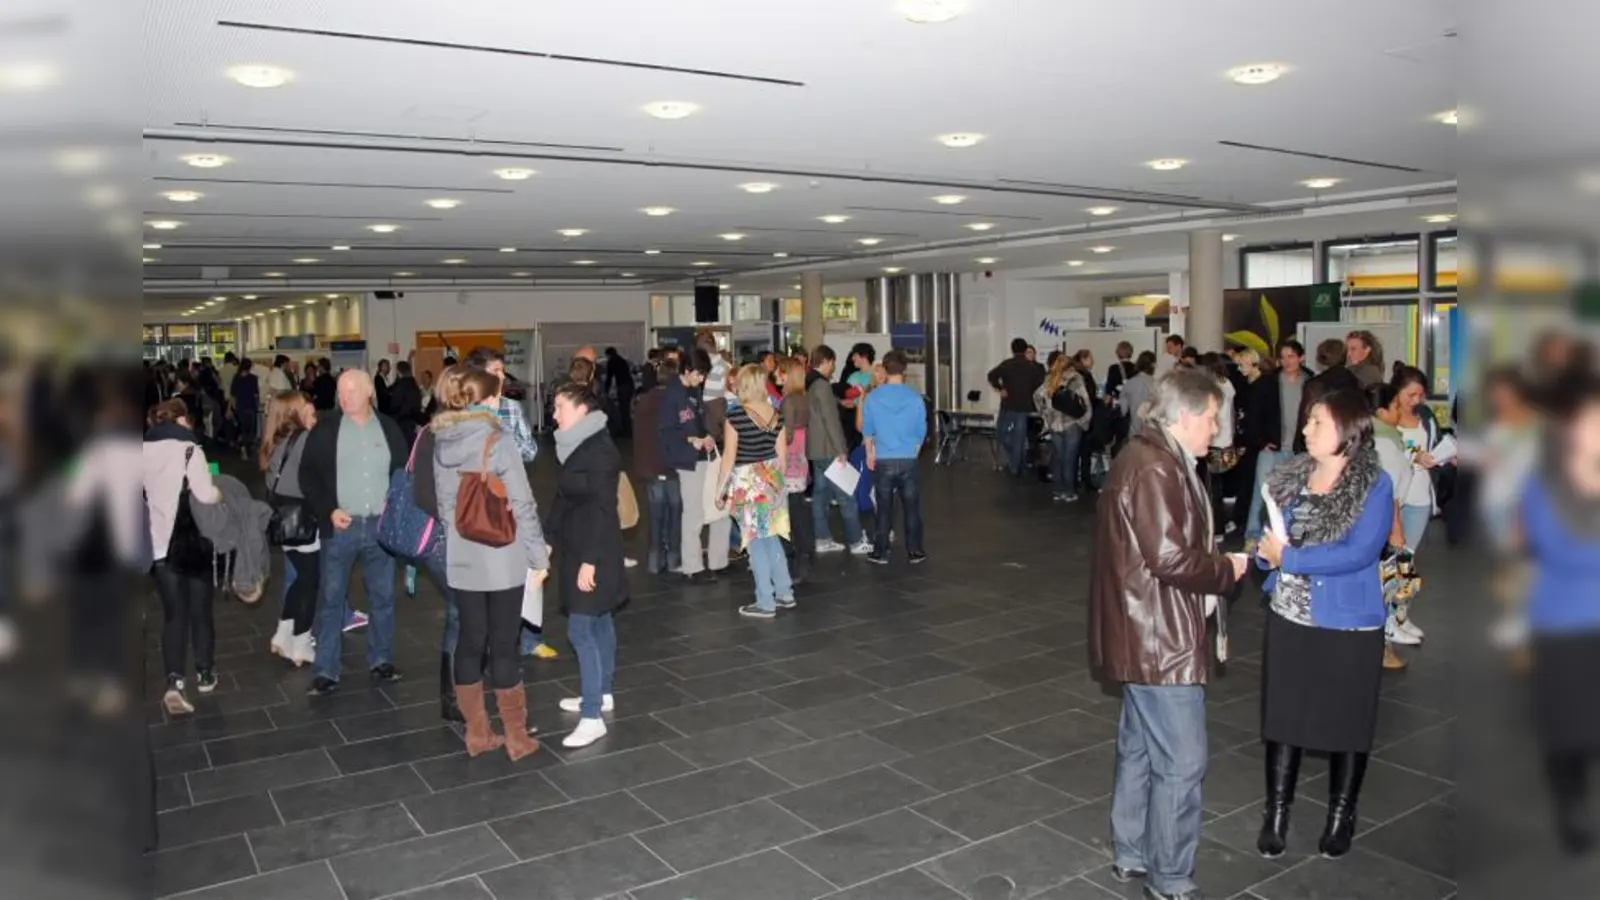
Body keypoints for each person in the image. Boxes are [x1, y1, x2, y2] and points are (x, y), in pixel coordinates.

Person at [1089, 367, 1248, 900]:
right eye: (1210, 419)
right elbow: (1171, 558)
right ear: (1184, 416)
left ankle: (1132, 851)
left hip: (1139, 630)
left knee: (1138, 749)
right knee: (1181, 763)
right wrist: (1228, 570)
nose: (1216, 431)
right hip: (1160, 640)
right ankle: (1171, 876)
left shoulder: (1144, 456)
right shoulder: (1157, 467)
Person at [1253, 389, 1395, 861]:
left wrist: (1288, 557)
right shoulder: (1289, 477)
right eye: (1308, 421)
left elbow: (1360, 552)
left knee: (1347, 723)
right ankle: (1276, 813)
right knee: (1283, 718)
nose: (1307, 429)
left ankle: (1341, 814)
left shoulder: (1374, 484)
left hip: (1347, 623)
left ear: (1348, 432)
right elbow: (1270, 539)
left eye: (1318, 422)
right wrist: (1264, 552)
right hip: (1290, 616)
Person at [428, 366, 548, 759]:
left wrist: (459, 547)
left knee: (469, 642)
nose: (501, 402)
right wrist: (538, 555)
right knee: (504, 645)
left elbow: (446, 508)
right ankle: (516, 737)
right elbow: (523, 503)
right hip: (503, 555)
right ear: (483, 400)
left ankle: (477, 735)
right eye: (496, 396)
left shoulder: (440, 440)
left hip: (462, 557)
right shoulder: (498, 440)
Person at [1520, 380, 1600, 856]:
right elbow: (1560, 551)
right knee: (1568, 728)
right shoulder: (1543, 483)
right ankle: (1570, 806)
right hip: (1564, 624)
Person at [298, 369, 409, 696]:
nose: (344, 398)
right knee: (332, 600)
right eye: (340, 392)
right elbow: (308, 476)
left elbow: (402, 475)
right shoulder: (326, 429)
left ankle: (382, 660)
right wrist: (328, 509)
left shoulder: (388, 429)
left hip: (379, 527)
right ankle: (326, 670)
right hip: (340, 528)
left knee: (384, 597)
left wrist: (395, 514)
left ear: (369, 393)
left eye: (351, 392)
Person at [547, 382, 627, 748]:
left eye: (559, 406)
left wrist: (590, 562)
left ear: (581, 409)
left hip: (595, 552)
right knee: (599, 621)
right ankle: (603, 692)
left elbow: (602, 509)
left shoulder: (599, 451)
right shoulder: (576, 446)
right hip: (578, 547)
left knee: (580, 630)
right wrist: (547, 542)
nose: (553, 414)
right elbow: (565, 498)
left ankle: (592, 716)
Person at [142, 398, 223, 715]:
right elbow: (205, 494)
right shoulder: (192, 450)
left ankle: (174, 680)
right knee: (201, 611)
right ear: (181, 421)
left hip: (160, 544)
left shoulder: (141, 451)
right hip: (193, 542)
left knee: (174, 615)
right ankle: (205, 672)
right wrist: (219, 491)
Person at [716, 365, 793, 618]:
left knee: (755, 543)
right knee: (772, 537)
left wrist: (720, 491)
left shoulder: (735, 417)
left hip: (748, 483)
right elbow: (782, 458)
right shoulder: (777, 414)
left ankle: (765, 601)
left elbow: (728, 458)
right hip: (772, 479)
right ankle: (784, 592)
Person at [261, 391, 321, 668]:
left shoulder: (275, 439)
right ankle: (301, 642)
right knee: (310, 581)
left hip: (283, 519)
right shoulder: (304, 438)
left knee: (301, 577)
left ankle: (283, 632)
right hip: (304, 517)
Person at [660, 350, 724, 583]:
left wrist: (705, 436)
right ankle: (692, 566)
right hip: (686, 459)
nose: (702, 379)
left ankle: (716, 561)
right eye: (699, 374)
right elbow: (666, 432)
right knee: (693, 514)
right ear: (687, 371)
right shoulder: (672, 395)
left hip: (700, 455)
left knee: (716, 509)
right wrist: (692, 440)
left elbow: (697, 421)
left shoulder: (693, 390)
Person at [1244, 340, 1312, 550]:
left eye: (1291, 356)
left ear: (1301, 358)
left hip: (1299, 449)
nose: (1286, 361)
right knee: (1261, 492)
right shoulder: (1268, 382)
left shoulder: (1310, 383)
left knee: (1297, 495)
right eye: (1283, 357)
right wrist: (1262, 441)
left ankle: (1290, 537)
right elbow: (1253, 414)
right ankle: (1253, 536)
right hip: (1272, 448)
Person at [862, 350, 927, 564]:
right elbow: (921, 430)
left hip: (883, 459)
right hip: (908, 458)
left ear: (885, 369)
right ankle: (915, 551)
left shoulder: (873, 397)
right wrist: (913, 452)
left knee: (883, 508)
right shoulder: (915, 397)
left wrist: (870, 454)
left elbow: (868, 430)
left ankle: (881, 551)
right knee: (911, 508)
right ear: (905, 369)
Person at [807, 345, 869, 554]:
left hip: (816, 448)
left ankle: (822, 538)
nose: (833, 368)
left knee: (820, 495)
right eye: (832, 363)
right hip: (829, 449)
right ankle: (856, 540)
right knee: (845, 495)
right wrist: (840, 449)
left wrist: (840, 401)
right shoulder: (822, 386)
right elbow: (830, 420)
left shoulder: (810, 382)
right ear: (825, 361)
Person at [632, 355, 677, 574]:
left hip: (648, 466)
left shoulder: (644, 401)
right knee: (674, 513)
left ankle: (653, 560)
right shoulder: (675, 402)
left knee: (655, 515)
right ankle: (673, 558)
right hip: (669, 466)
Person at [1035, 351, 1091, 502]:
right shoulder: (1076, 378)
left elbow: (1037, 396)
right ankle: (1069, 491)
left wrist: (1046, 415)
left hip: (1054, 425)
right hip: (1072, 424)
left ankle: (1058, 490)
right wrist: (1084, 422)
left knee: (1059, 457)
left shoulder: (1050, 378)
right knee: (1070, 458)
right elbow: (1085, 401)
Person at [777, 358, 814, 582]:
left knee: (790, 511)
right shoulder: (802, 398)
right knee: (797, 508)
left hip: (788, 457)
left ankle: (794, 558)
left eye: (781, 373)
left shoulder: (788, 401)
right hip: (800, 457)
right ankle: (804, 554)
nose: (776, 376)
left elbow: (787, 433)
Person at [988, 337, 1046, 477]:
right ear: (1025, 349)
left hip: (1008, 405)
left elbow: (991, 375)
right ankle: (1016, 466)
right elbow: (1040, 385)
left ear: (1012, 349)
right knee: (1019, 438)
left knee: (1002, 434)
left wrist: (1000, 388)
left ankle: (1016, 460)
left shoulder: (1007, 364)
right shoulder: (1031, 367)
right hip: (1024, 406)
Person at [230, 357, 260, 461]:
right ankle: (246, 447)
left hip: (240, 407)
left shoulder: (236, 378)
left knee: (243, 429)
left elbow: (233, 395)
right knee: (251, 430)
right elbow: (256, 394)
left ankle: (243, 447)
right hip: (251, 406)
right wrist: (257, 405)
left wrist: (233, 408)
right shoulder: (253, 378)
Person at [602, 346, 635, 437]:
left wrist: (606, 390)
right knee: (627, 409)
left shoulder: (612, 362)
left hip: (622, 386)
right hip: (629, 385)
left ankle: (626, 431)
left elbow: (609, 377)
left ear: (608, 355)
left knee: (623, 409)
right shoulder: (622, 360)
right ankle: (628, 430)